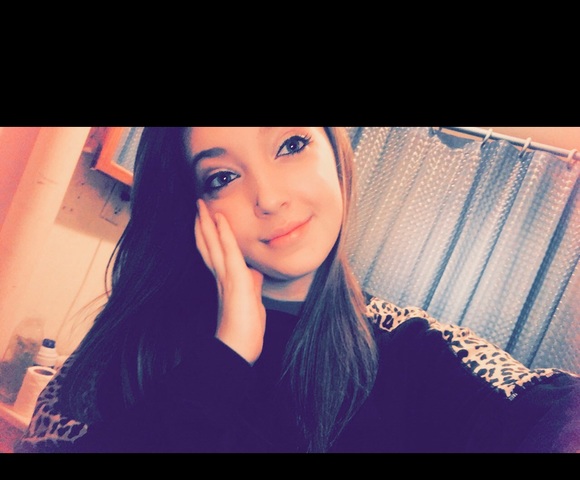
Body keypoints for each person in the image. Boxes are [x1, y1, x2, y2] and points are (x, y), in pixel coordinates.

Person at [13, 127, 580, 453]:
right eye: (222, 177)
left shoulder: (412, 346)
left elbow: (545, 411)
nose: (269, 197)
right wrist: (227, 355)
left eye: (289, 144)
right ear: (193, 206)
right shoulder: (131, 346)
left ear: (335, 152)